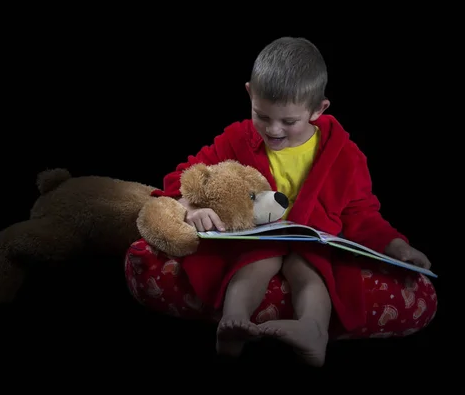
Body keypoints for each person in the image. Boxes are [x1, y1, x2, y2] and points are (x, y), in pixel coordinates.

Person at [145, 37, 435, 367]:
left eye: (289, 121)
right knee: (254, 262)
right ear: (250, 93)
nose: (273, 129)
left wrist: (396, 246)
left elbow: (362, 214)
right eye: (262, 116)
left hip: (310, 243)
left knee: (310, 270)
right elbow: (188, 174)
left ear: (318, 110)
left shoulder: (345, 156)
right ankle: (233, 323)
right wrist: (193, 206)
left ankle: (312, 331)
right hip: (256, 239)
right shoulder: (236, 139)